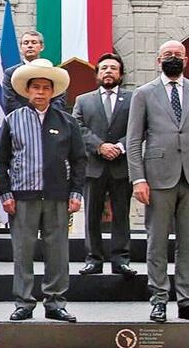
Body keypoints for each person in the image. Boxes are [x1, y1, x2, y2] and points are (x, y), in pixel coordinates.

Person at [0, 59, 85, 323]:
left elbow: (79, 159)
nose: (41, 92)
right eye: (36, 87)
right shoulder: (13, 120)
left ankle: (55, 302)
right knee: (23, 251)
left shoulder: (67, 122)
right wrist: (6, 194)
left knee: (58, 251)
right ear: (28, 91)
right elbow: (0, 162)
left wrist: (76, 193)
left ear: (52, 91)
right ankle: (23, 302)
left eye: (46, 88)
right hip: (22, 197)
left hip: (58, 197)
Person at [127, 40, 189, 323]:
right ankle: (159, 299)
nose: (173, 58)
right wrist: (138, 178)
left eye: (178, 55)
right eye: (168, 55)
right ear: (158, 60)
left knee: (187, 244)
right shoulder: (143, 93)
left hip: (188, 177)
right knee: (157, 241)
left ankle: (186, 299)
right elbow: (133, 140)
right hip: (157, 178)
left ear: (185, 60)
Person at [74, 53, 136, 278]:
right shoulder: (84, 100)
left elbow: (138, 128)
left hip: (121, 166)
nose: (108, 71)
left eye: (113, 68)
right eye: (104, 68)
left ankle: (121, 260)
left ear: (120, 74)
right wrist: (100, 146)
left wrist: (119, 146)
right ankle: (93, 259)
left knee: (121, 214)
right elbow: (78, 127)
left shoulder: (133, 99)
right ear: (97, 74)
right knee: (92, 215)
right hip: (93, 165)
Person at [3, 30, 68, 114]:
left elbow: (60, 99)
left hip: (50, 120)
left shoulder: (53, 72)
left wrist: (45, 115)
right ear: (21, 47)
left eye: (34, 42)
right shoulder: (11, 73)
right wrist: (29, 116)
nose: (30, 46)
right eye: (26, 43)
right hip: (20, 121)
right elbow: (9, 101)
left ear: (42, 47)